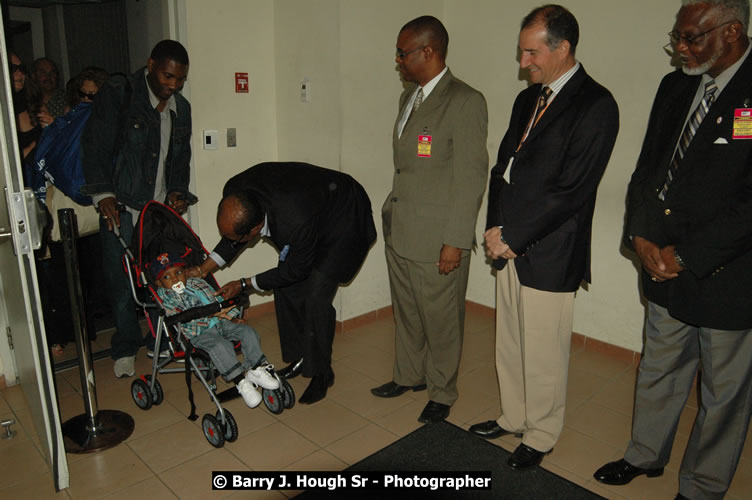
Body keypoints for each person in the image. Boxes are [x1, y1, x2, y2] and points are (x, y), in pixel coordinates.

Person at [593, 1, 752, 497]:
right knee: (659, 367)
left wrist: (685, 256)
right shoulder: (676, 85)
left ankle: (702, 485)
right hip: (660, 262)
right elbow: (648, 170)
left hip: (726, 273)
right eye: (676, 38)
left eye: (692, 38)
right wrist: (640, 237)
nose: (680, 50)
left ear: (731, 32)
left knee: (723, 392)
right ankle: (644, 455)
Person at [469, 4, 619, 470]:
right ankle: (514, 415)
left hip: (550, 249)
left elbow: (571, 191)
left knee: (544, 351)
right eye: (521, 52)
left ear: (563, 48)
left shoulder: (596, 105)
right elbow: (502, 169)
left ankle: (541, 433)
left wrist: (515, 236)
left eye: (531, 53)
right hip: (508, 243)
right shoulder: (527, 98)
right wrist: (495, 229)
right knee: (510, 341)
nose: (523, 63)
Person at [371, 15, 488, 425]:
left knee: (441, 320)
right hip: (401, 227)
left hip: (439, 237)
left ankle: (442, 390)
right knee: (407, 311)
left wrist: (455, 240)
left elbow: (471, 177)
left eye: (403, 53)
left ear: (428, 52)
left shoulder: (465, 100)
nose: (398, 61)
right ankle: (408, 375)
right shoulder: (409, 97)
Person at [192, 162, 377, 405]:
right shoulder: (236, 192)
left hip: (343, 219)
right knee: (284, 286)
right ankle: (300, 357)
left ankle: (322, 373)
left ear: (256, 229)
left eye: (239, 238)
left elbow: (296, 269)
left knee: (316, 298)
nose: (231, 240)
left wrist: (245, 284)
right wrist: (204, 268)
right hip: (310, 210)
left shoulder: (294, 220)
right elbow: (234, 237)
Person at [81, 40, 194, 378]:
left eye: (180, 79)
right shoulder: (121, 93)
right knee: (122, 283)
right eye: (167, 76)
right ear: (150, 65)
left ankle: (155, 339)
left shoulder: (181, 108)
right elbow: (95, 144)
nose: (172, 85)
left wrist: (178, 192)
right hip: (123, 208)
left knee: (165, 279)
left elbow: (181, 158)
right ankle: (124, 347)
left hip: (158, 213)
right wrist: (103, 195)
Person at [150, 252, 279, 408]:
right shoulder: (167, 298)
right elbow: (179, 317)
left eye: (178, 273)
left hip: (220, 321)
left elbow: (217, 300)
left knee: (247, 332)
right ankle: (241, 382)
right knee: (220, 346)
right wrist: (209, 313)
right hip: (199, 332)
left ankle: (256, 368)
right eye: (167, 277)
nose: (175, 279)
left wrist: (231, 316)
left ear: (186, 272)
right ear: (159, 283)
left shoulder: (198, 283)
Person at [31, 57, 66, 123]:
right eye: (43, 73)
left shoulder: (67, 100)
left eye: (52, 73)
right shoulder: (28, 100)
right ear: (34, 76)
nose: (48, 77)